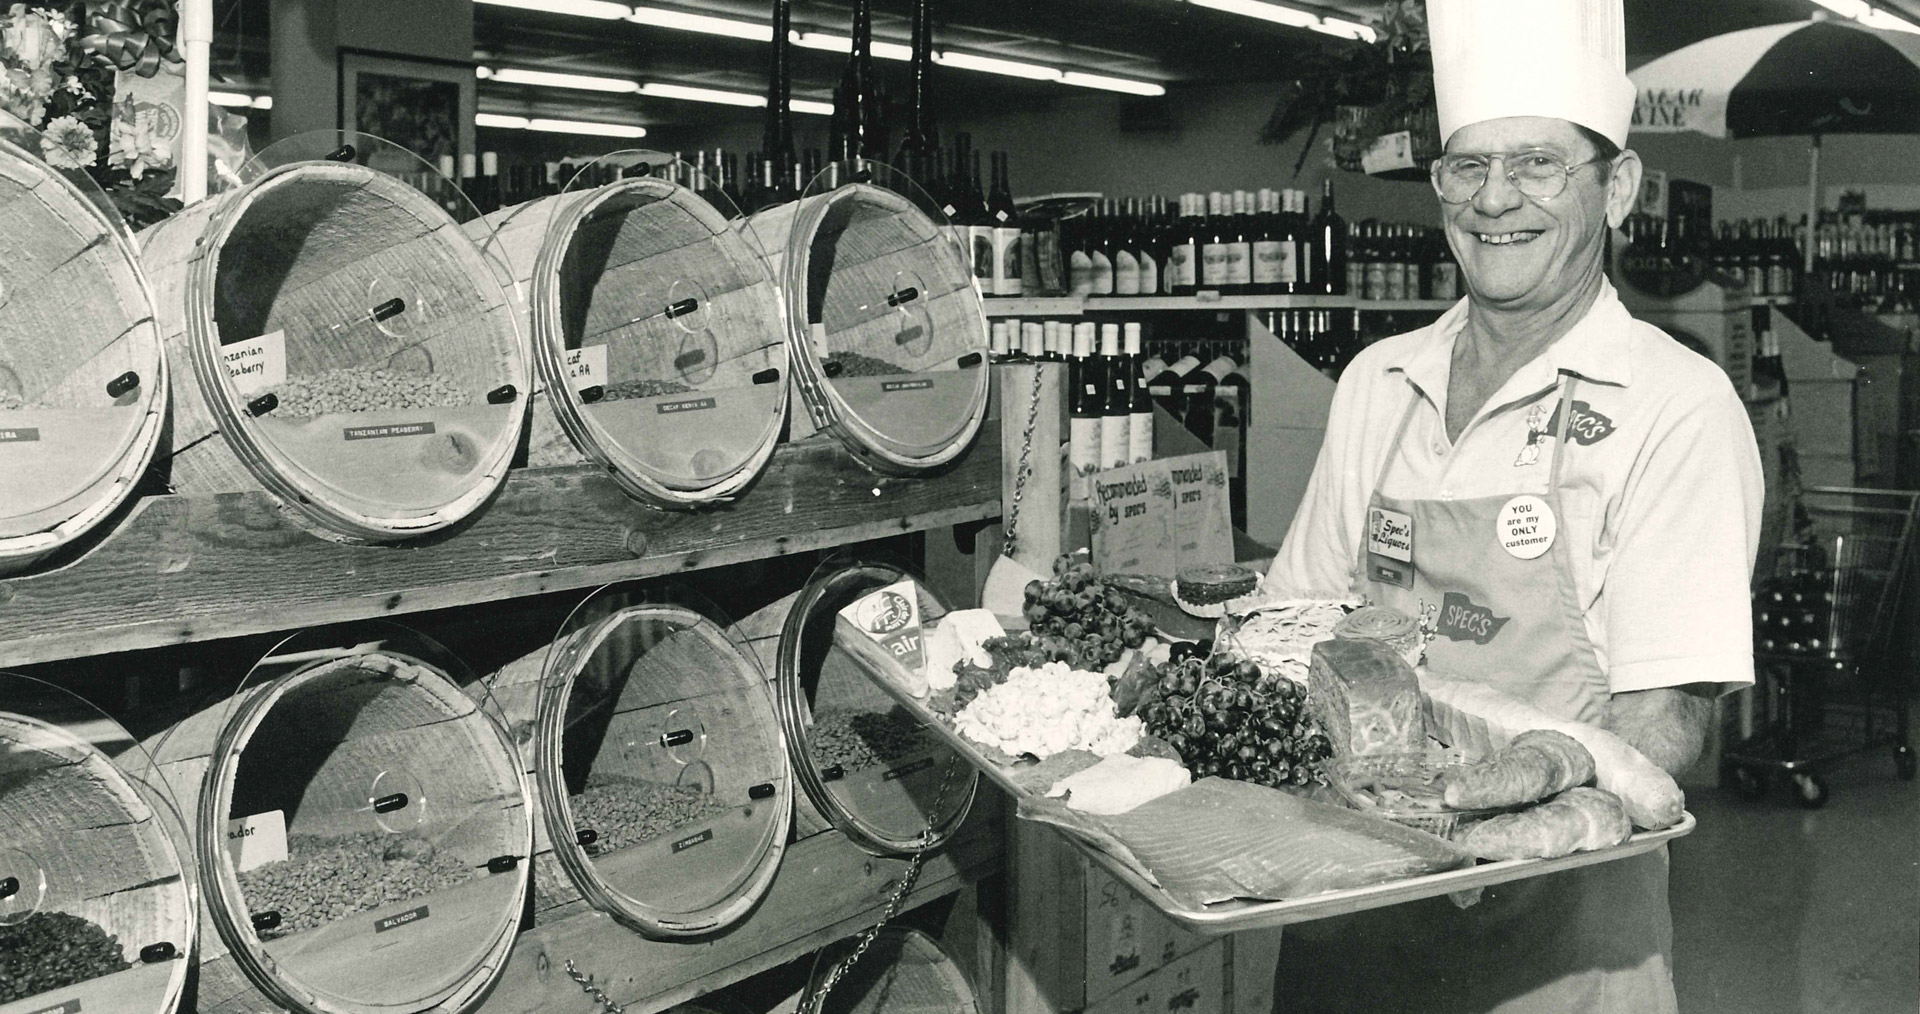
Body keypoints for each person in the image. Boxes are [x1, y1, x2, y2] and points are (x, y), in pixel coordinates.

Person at [1263, 1, 1763, 1011]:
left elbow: (1664, 724)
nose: (1496, 202)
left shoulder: (1675, 405)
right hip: (1349, 917)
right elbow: (1298, 632)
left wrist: (1490, 813)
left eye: (1539, 165)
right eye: (1467, 166)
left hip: (1564, 950)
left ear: (1616, 186)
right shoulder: (1377, 382)